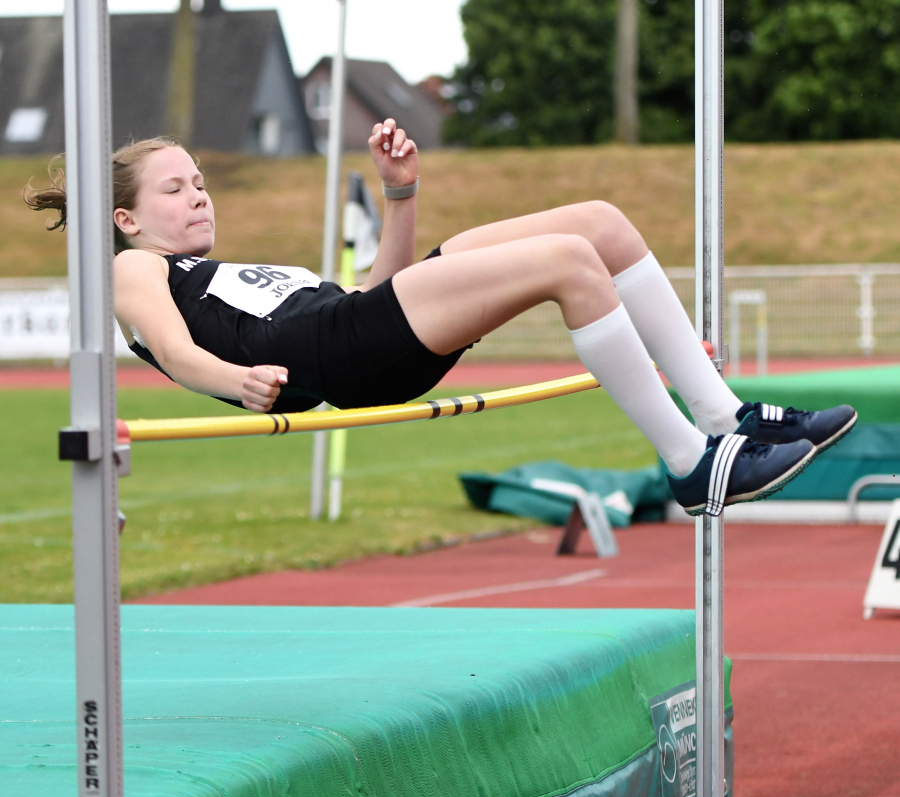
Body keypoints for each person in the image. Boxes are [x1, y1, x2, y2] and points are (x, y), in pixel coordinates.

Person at [25, 122, 855, 516]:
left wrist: (401, 194)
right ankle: (689, 463)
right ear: (126, 219)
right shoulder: (133, 268)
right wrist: (235, 381)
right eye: (175, 189)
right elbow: (173, 351)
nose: (198, 195)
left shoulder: (223, 273)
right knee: (570, 260)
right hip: (340, 356)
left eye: (201, 182)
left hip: (360, 330)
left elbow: (380, 291)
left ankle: (724, 417)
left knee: (599, 224)